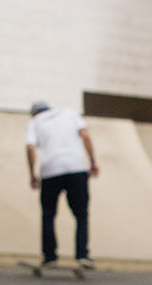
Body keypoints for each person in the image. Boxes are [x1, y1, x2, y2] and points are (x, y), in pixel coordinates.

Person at [25, 101, 99, 270]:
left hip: (51, 171)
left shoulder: (34, 122)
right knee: (81, 215)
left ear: (34, 113)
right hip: (77, 168)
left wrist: (32, 174)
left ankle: (50, 257)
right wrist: (93, 162)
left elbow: (30, 148)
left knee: (48, 215)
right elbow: (86, 136)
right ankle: (83, 255)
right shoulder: (71, 114)